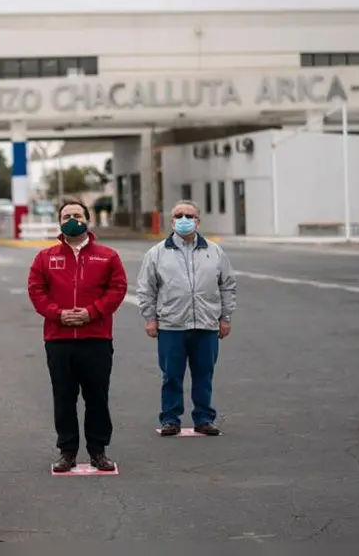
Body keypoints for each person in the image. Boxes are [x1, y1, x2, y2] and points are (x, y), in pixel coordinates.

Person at [27, 200, 128, 473]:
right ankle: (67, 451)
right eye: (66, 216)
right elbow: (36, 291)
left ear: (88, 218)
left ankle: (98, 451)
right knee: (64, 397)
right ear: (59, 222)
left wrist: (91, 313)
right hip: (58, 340)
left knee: (97, 397)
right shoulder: (45, 258)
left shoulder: (108, 256)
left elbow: (117, 289)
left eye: (77, 214)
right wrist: (58, 314)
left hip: (96, 338)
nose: (72, 219)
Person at [136, 200, 237, 437]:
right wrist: (150, 318)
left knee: (204, 375)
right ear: (172, 221)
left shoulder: (214, 251)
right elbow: (146, 288)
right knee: (171, 376)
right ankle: (170, 419)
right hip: (171, 325)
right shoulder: (157, 253)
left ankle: (204, 419)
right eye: (179, 215)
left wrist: (225, 317)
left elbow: (227, 285)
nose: (184, 220)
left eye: (189, 216)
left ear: (198, 221)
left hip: (206, 324)